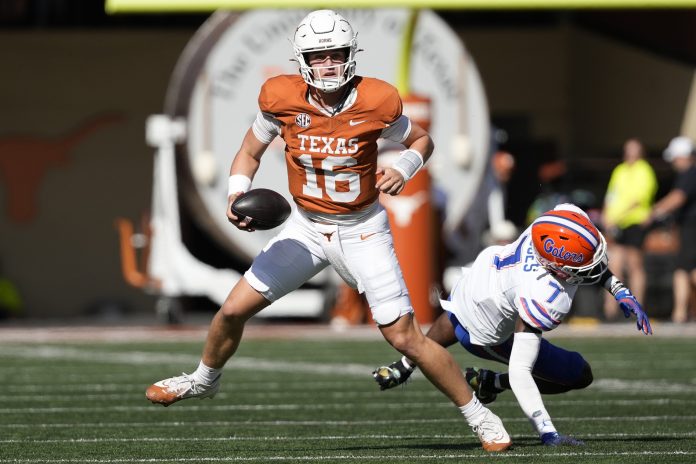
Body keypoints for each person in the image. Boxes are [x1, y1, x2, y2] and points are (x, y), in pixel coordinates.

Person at [145, 10, 512, 452]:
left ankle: (479, 415)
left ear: (350, 54)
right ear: (303, 59)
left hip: (362, 229)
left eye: (336, 54)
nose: (328, 64)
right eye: (318, 56)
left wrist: (406, 166)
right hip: (306, 227)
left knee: (405, 338)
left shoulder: (377, 100)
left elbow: (422, 141)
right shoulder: (280, 96)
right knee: (231, 310)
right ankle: (204, 380)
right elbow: (248, 152)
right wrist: (235, 194)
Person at [373, 203, 652, 447]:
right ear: (555, 267)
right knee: (578, 374)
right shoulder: (543, 294)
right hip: (486, 334)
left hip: (478, 278)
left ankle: (405, 364)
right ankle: (491, 381)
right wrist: (547, 432)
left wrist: (619, 290)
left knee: (455, 313)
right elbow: (521, 372)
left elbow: (586, 258)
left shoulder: (556, 223)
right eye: (584, 265)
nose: (596, 265)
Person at [601, 138, 657, 320]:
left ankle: (636, 307)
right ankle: (611, 311)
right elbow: (611, 195)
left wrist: (617, 216)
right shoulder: (620, 170)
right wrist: (606, 215)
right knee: (614, 264)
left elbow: (639, 199)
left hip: (634, 221)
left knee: (634, 265)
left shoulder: (644, 170)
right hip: (617, 224)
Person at [645, 136, 696, 323]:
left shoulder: (689, 173)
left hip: (691, 226)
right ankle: (681, 312)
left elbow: (677, 198)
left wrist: (654, 211)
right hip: (688, 226)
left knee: (686, 269)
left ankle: (680, 313)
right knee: (684, 269)